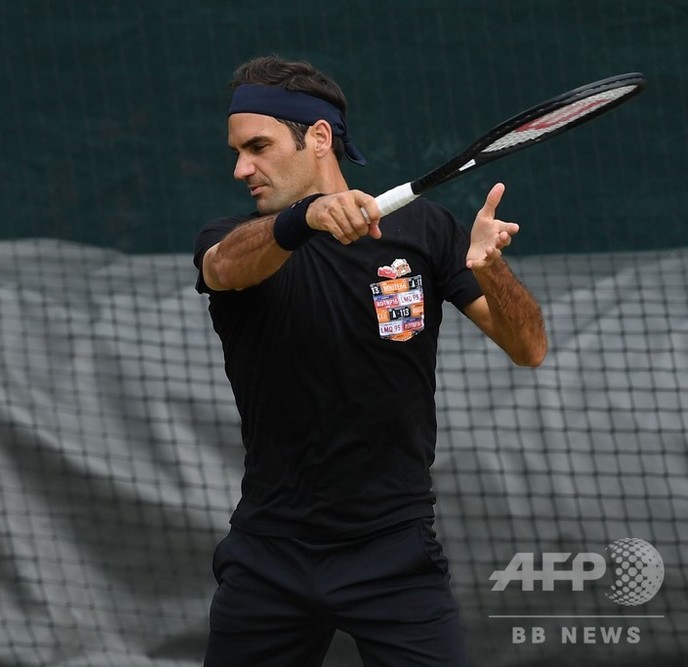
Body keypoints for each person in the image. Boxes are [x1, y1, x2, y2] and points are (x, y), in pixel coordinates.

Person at [193, 55, 547, 666]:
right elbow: (225, 266)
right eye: (236, 151)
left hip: (395, 554)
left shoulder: (425, 231)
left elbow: (528, 348)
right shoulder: (235, 239)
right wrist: (305, 217)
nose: (240, 168)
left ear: (319, 138)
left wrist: (494, 271)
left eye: (257, 146)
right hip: (269, 555)